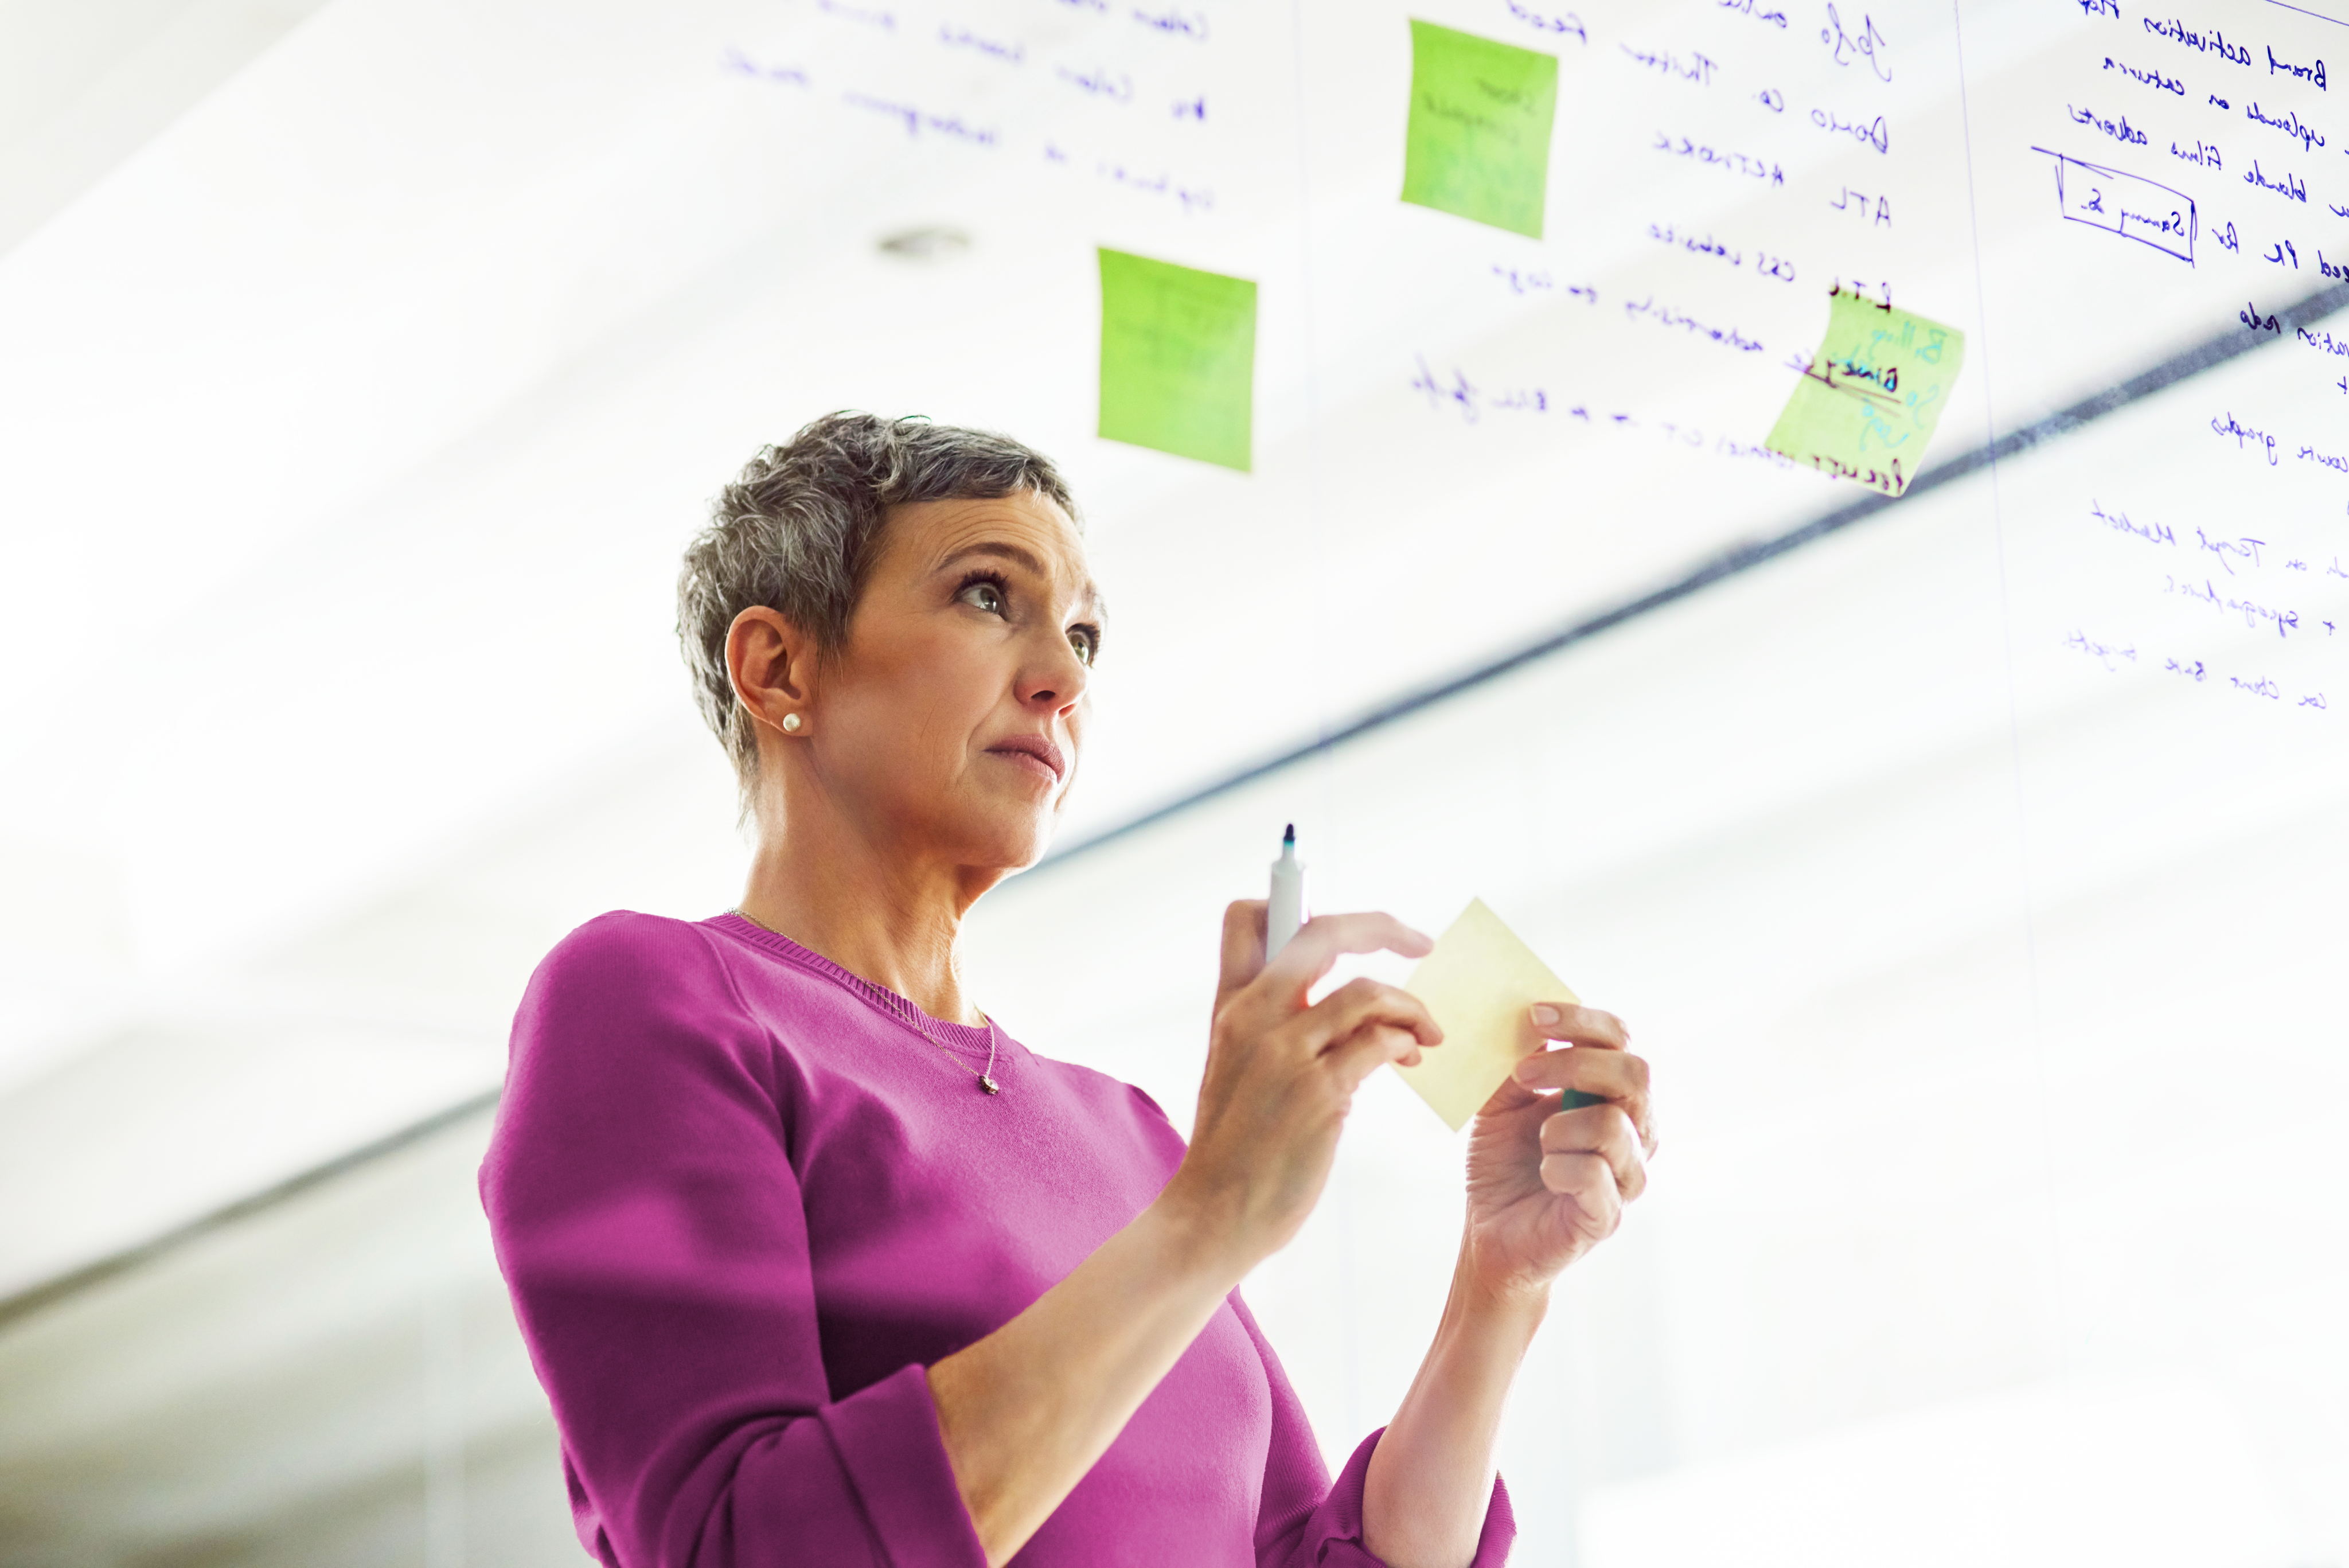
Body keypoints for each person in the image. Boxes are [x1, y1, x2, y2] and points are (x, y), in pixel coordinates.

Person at [480, 413, 1657, 1568]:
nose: (1059, 679)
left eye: (1083, 637)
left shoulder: (1130, 1136)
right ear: (777, 665)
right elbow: (741, 1544)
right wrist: (1208, 1220)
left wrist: (1497, 1283)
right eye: (988, 595)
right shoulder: (652, 998)